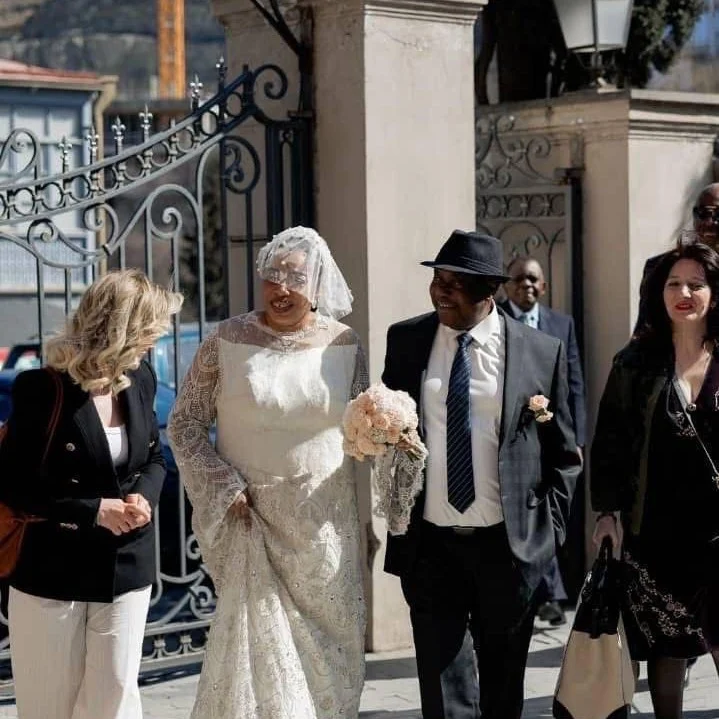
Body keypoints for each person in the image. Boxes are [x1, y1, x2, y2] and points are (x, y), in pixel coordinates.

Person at [167, 226, 367, 719]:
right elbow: (185, 423)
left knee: (329, 664)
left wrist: (385, 433)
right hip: (251, 521)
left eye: (295, 277)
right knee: (259, 663)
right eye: (272, 275)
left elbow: (361, 427)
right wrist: (221, 484)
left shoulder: (345, 343)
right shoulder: (226, 339)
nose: (281, 287)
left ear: (317, 284)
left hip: (324, 530)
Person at [382, 230, 581, 719]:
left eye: (455, 283)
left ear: (488, 291)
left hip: (508, 549)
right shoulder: (406, 340)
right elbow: (391, 428)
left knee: (502, 692)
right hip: (431, 546)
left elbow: (564, 455)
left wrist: (547, 532)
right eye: (438, 280)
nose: (441, 291)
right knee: (443, 696)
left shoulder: (540, 351)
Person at [0, 269, 183, 719]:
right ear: (120, 329)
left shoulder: (139, 378)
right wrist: (94, 510)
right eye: (149, 330)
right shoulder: (42, 389)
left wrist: (144, 496)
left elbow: (153, 457)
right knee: (48, 707)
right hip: (52, 571)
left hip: (126, 565)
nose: (154, 341)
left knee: (114, 701)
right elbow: (13, 486)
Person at [593, 241, 719, 719]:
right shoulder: (636, 362)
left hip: (718, 533)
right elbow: (610, 441)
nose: (683, 293)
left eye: (696, 284)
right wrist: (607, 513)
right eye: (673, 284)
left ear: (715, 293)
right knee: (668, 651)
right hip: (656, 534)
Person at [500, 255, 587, 626]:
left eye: (534, 279)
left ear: (545, 286)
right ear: (506, 286)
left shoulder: (561, 324)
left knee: (548, 510)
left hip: (553, 434)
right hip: (514, 437)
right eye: (519, 279)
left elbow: (574, 382)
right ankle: (544, 593)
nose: (527, 285)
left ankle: (547, 592)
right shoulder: (496, 320)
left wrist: (577, 437)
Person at [635, 182, 719, 333]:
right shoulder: (660, 268)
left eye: (718, 214)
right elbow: (644, 331)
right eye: (703, 213)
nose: (709, 222)